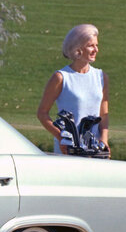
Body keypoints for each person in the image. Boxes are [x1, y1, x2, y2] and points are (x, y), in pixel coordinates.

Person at [37, 23, 109, 155]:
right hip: (68, 150)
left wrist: (104, 139)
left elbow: (103, 115)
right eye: (91, 45)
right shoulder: (61, 77)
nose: (96, 50)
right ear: (78, 48)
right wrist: (61, 137)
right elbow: (42, 113)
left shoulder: (101, 77)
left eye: (96, 45)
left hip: (95, 150)